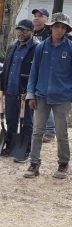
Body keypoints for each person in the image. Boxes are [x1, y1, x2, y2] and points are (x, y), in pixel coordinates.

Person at [24, 13, 72, 179]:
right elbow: (33, 73)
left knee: (61, 132)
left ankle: (63, 163)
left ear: (66, 29)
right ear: (51, 27)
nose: (60, 30)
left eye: (63, 27)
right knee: (37, 131)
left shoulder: (70, 49)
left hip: (63, 98)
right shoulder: (41, 48)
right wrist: (31, 95)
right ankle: (34, 163)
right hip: (41, 95)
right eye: (57, 26)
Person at [0, 19, 38, 162]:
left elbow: (37, 72)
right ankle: (10, 145)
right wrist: (2, 86)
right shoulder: (12, 46)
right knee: (11, 120)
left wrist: (30, 91)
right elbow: (6, 67)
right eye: (19, 30)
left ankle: (25, 149)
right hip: (10, 90)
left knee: (27, 122)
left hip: (26, 93)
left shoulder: (36, 48)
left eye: (25, 30)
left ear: (32, 32)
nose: (21, 33)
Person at [32, 8, 56, 143]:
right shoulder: (33, 32)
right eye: (35, 16)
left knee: (45, 101)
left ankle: (50, 131)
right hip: (34, 72)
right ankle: (40, 129)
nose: (36, 18)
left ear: (47, 19)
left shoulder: (49, 34)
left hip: (46, 75)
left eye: (40, 16)